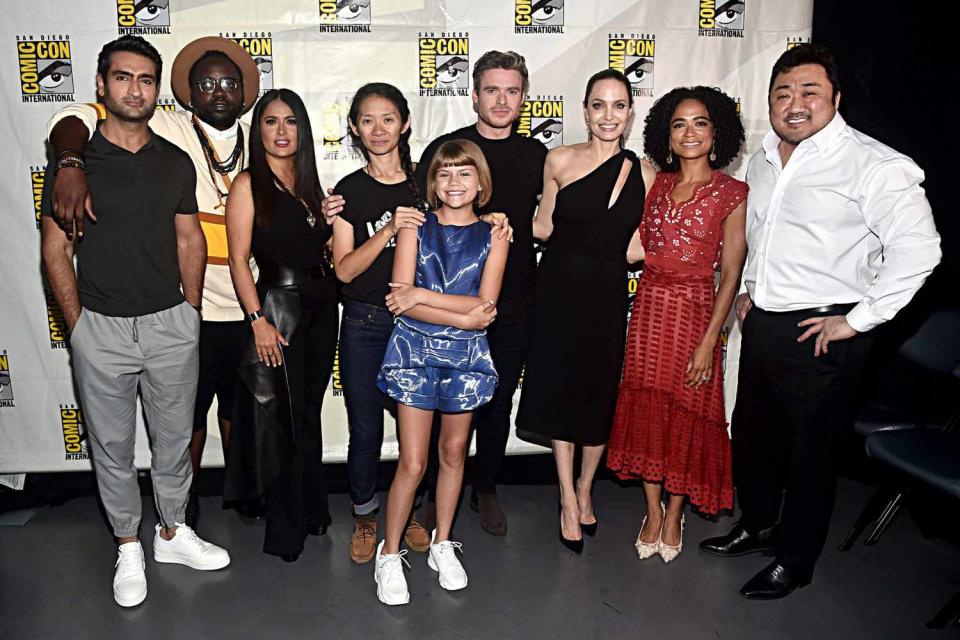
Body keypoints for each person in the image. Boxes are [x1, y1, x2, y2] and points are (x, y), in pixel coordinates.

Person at [699, 44, 941, 599]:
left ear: (836, 97)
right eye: (782, 92)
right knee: (754, 439)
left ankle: (796, 559)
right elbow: (767, 234)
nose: (795, 102)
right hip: (764, 324)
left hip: (824, 332)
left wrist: (857, 320)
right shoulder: (762, 158)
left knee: (811, 455)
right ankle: (759, 526)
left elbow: (919, 250)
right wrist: (753, 291)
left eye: (809, 91)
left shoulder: (873, 163)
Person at [40, 35, 230, 608]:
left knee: (174, 443)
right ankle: (128, 542)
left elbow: (189, 236)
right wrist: (77, 325)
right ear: (101, 86)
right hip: (101, 327)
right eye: (123, 78)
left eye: (146, 80)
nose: (135, 89)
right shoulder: (76, 161)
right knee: (112, 447)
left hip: (171, 324)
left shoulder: (174, 160)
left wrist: (190, 309)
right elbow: (54, 249)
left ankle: (171, 533)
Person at [517, 69, 657, 553]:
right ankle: (565, 497)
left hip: (606, 295)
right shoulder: (557, 160)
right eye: (599, 105)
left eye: (619, 106)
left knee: (597, 396)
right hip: (557, 292)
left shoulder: (644, 173)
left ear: (630, 113)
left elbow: (638, 249)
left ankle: (585, 487)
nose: (608, 116)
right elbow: (543, 226)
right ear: (584, 110)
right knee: (560, 393)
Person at [606, 86, 748, 563]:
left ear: (716, 132)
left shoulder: (732, 193)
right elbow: (629, 245)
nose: (690, 132)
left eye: (700, 123)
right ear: (666, 135)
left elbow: (730, 274)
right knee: (648, 413)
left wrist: (711, 340)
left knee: (687, 412)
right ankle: (651, 509)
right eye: (679, 124)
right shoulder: (657, 184)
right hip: (648, 310)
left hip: (694, 316)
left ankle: (675, 513)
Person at [416, 51, 547, 535]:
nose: (501, 100)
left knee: (496, 397)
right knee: (437, 396)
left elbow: (553, 218)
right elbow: (420, 215)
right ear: (474, 94)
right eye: (492, 90)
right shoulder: (447, 148)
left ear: (523, 98)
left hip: (513, 298)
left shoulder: (538, 155)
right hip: (446, 300)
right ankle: (432, 489)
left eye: (512, 91)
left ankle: (485, 488)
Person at [373, 140, 509, 605]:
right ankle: (388, 554)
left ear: (480, 182)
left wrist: (425, 300)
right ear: (433, 182)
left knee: (454, 455)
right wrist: (462, 315)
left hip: (467, 358)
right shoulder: (415, 227)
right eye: (446, 174)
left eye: (465, 173)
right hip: (413, 351)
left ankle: (442, 543)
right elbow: (398, 297)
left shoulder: (496, 234)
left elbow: (485, 306)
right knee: (413, 462)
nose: (455, 183)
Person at [223, 89, 338, 563]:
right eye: (271, 122)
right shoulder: (249, 184)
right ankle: (285, 529)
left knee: (308, 412)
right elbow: (236, 260)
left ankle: (312, 509)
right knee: (284, 420)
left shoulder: (311, 184)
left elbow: (313, 247)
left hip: (321, 304)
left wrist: (328, 225)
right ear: (259, 130)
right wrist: (257, 321)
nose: (282, 131)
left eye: (291, 122)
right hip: (279, 307)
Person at [330, 82, 434, 564]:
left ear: (405, 123)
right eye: (367, 120)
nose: (378, 129)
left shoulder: (427, 183)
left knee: (421, 432)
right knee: (366, 430)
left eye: (388, 118)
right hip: (366, 323)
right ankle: (366, 518)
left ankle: (411, 511)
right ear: (354, 127)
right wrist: (391, 227)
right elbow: (345, 270)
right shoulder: (349, 192)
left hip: (420, 324)